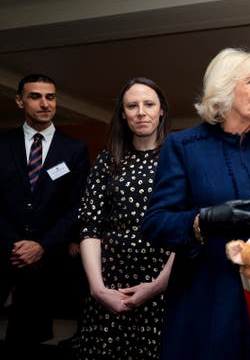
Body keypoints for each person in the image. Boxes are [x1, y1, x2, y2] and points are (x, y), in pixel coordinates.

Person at [141, 48, 250, 360]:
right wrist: (203, 220)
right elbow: (155, 222)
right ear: (225, 87)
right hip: (206, 297)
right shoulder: (184, 146)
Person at [77, 78, 175, 359]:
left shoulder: (179, 160)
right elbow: (89, 227)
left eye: (149, 104)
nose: (141, 112)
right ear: (123, 113)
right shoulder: (107, 161)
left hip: (163, 285)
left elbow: (189, 227)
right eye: (132, 105)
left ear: (161, 111)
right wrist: (97, 289)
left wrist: (157, 285)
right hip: (111, 286)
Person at [0, 74, 90, 356]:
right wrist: (14, 245)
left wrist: (41, 246)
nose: (44, 103)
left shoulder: (74, 149)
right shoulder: (2, 144)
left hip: (46, 258)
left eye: (50, 97)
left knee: (26, 337)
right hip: (4, 248)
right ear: (19, 101)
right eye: (35, 96)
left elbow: (76, 206)